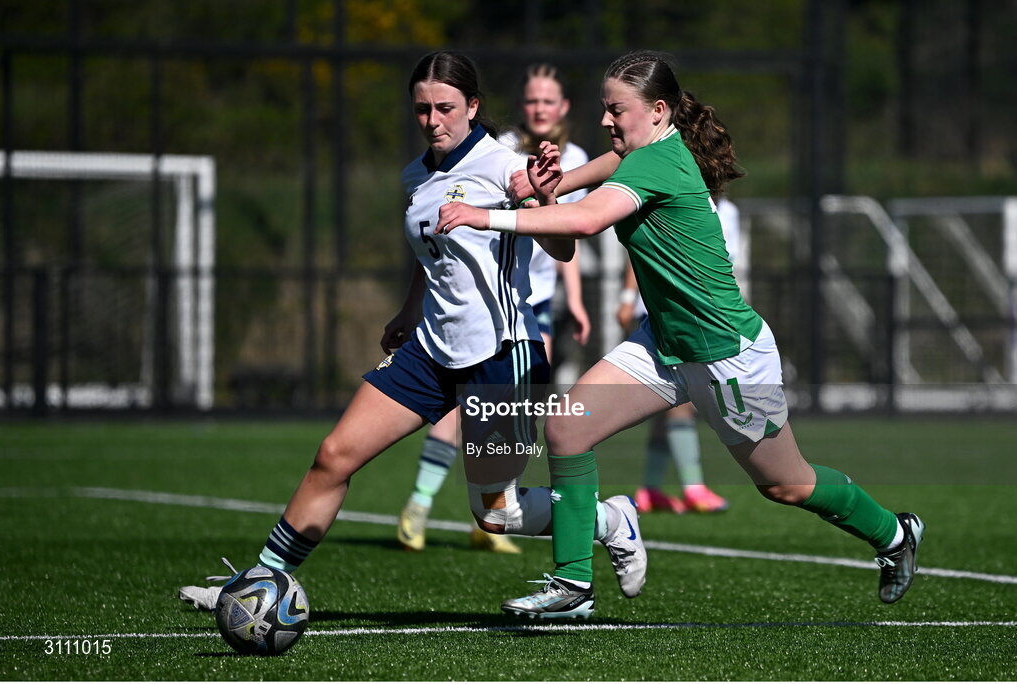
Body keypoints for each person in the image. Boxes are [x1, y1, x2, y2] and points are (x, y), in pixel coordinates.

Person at [437, 50, 924, 618]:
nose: (605, 121)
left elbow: (586, 220)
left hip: (727, 357)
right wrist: (545, 183)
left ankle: (895, 534)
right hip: (664, 347)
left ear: (659, 110)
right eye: (603, 108)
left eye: (615, 109)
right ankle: (573, 587)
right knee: (567, 430)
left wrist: (484, 215)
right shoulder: (637, 153)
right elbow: (574, 185)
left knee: (786, 485)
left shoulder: (656, 164)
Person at [177, 51, 644, 616]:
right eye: (422, 109)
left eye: (445, 108)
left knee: (497, 514)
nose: (433, 120)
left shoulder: (505, 167)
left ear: (473, 106)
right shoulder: (415, 174)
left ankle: (610, 519)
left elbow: (563, 246)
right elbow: (438, 261)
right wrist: (407, 310)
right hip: (429, 351)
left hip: (502, 355)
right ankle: (258, 583)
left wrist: (544, 198)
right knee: (333, 456)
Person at [396, 62, 592, 555]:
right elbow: (439, 244)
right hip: (472, 312)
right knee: (457, 419)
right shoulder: (499, 151)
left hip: (527, 311)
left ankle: (509, 516)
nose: (539, 108)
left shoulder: (567, 160)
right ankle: (422, 505)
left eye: (548, 101)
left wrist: (579, 298)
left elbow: (563, 238)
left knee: (501, 470)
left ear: (563, 108)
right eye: (532, 100)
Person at [620, 197, 740, 515]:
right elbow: (640, 248)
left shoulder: (729, 212)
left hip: (704, 317)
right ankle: (693, 489)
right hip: (669, 314)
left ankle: (649, 489)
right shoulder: (674, 196)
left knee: (670, 407)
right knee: (683, 401)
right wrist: (627, 298)